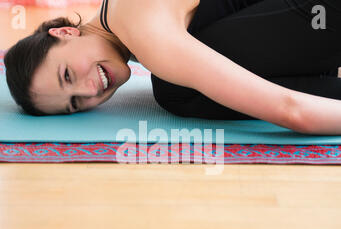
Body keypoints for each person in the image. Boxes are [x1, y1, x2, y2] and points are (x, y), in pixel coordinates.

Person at [4, 0, 341, 135]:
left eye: (68, 75)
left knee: (175, 89)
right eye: (75, 103)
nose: (89, 89)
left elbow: (292, 111)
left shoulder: (145, 33)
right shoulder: (117, 12)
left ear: (65, 32)